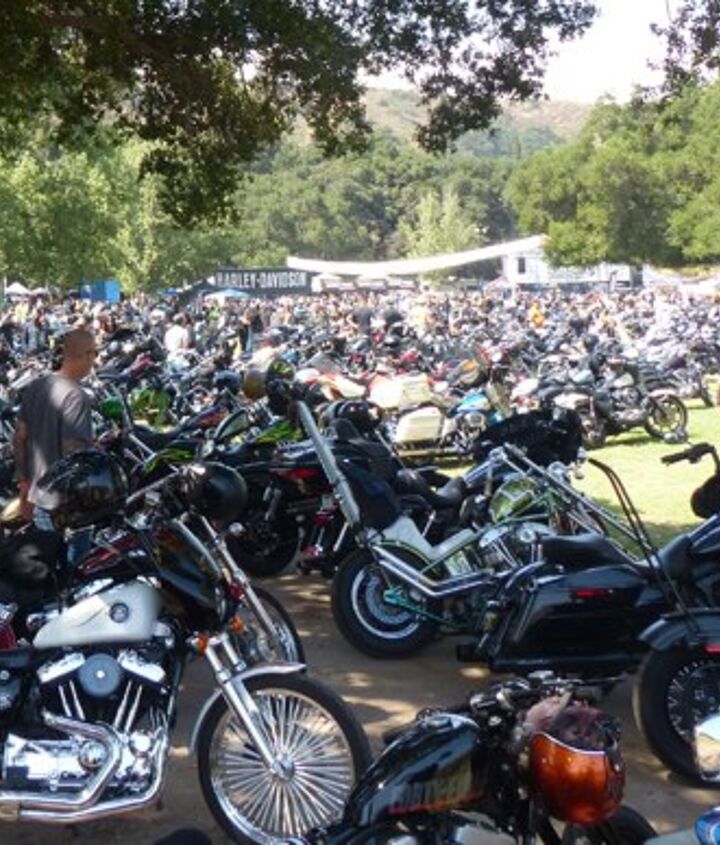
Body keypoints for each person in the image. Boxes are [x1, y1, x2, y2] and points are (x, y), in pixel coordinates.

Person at [14, 328, 97, 539]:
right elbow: (74, 453)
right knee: (78, 557)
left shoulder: (35, 386)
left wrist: (24, 487)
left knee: (48, 555)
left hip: (38, 497)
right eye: (95, 353)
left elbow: (19, 437)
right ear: (87, 355)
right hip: (64, 505)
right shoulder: (76, 396)